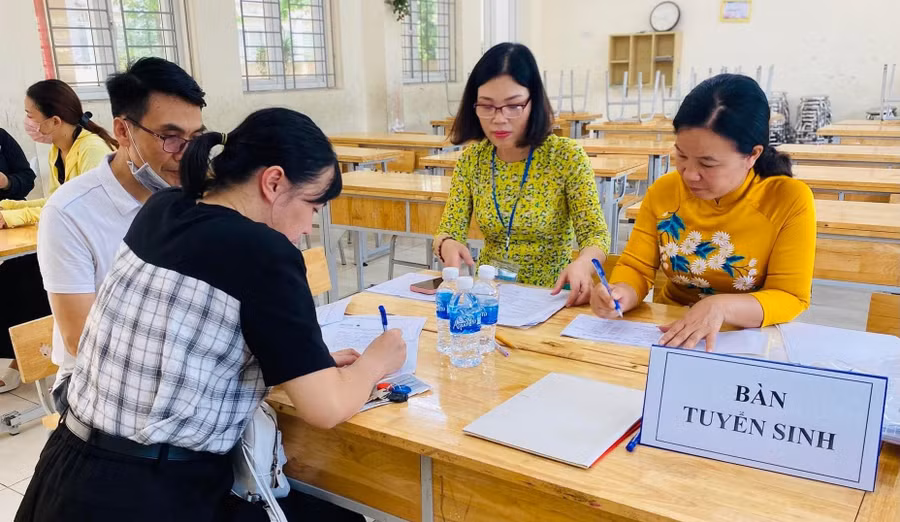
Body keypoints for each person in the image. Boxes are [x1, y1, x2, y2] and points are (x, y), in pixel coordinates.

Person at [16, 107, 406, 522]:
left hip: (68, 468)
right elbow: (326, 408)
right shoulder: (265, 254)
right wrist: (375, 362)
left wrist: (307, 365)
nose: (310, 226)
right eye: (313, 206)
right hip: (150, 494)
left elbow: (183, 335)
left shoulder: (165, 207)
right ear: (273, 182)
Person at [591, 74, 816, 350]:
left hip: (746, 339)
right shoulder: (666, 191)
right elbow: (635, 267)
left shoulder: (787, 199)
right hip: (670, 333)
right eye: (681, 156)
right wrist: (621, 292)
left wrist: (720, 307)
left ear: (752, 155)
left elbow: (790, 296)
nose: (689, 175)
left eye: (708, 164)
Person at [35, 57, 206, 410]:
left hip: (183, 364)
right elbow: (79, 337)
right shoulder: (70, 213)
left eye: (196, 140)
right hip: (95, 379)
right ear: (123, 131)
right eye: (170, 138)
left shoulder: (196, 194)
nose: (184, 155)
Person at [433, 42, 609, 306]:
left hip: (550, 298)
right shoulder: (472, 160)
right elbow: (449, 229)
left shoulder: (566, 158)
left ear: (533, 102)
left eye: (513, 106)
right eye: (487, 106)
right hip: (490, 297)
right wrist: (446, 244)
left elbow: (595, 235)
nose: (499, 119)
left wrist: (584, 263)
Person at [0, 79, 117, 228]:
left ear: (55, 121)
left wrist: (15, 216)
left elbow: (84, 208)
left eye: (30, 116)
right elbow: (55, 201)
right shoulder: (56, 151)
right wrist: (9, 207)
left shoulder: (92, 150)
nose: (27, 122)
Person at [0, 128, 38, 392]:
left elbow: (26, 179)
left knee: (18, 278)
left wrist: (6, 183)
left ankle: (20, 359)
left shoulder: (1, 138)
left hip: (11, 223)